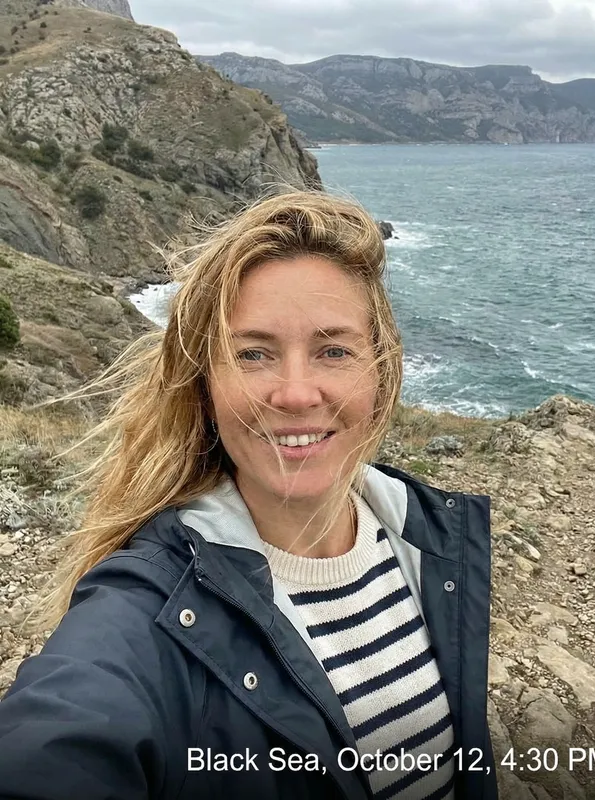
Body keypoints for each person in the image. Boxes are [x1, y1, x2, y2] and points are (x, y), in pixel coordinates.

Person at [0, 190, 496, 800]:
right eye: (253, 354)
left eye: (334, 350)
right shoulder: (147, 607)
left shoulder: (434, 538)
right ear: (205, 384)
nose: (294, 393)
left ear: (383, 370)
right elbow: (61, 741)